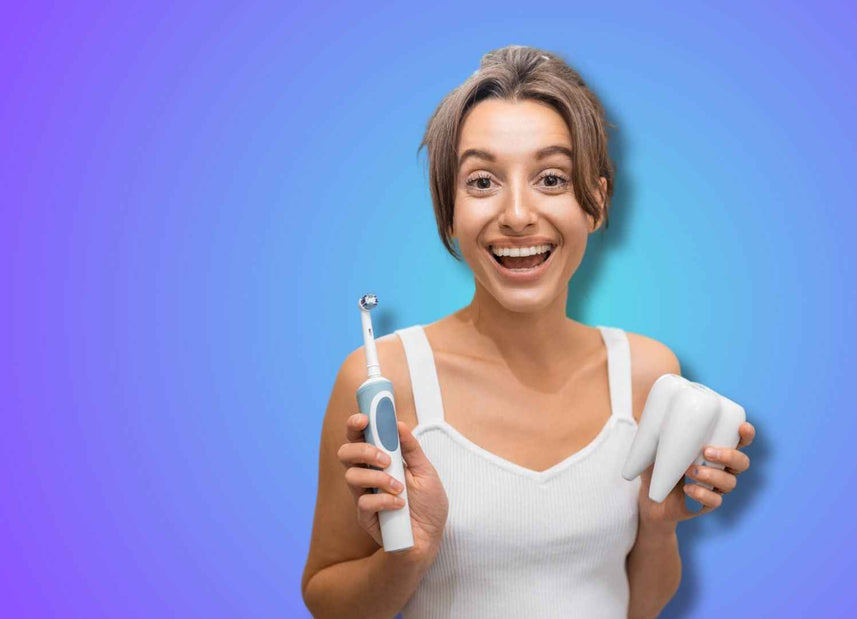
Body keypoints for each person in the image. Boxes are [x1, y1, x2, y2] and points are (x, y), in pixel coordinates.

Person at [301, 45, 756, 619]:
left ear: (595, 201)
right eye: (483, 180)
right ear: (448, 211)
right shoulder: (386, 382)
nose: (517, 214)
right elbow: (325, 598)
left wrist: (658, 526)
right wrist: (407, 557)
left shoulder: (648, 375)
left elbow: (636, 607)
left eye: (550, 178)